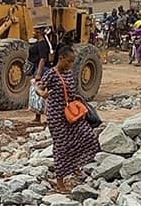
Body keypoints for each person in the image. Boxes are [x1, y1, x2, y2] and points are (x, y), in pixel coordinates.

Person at [35, 45, 100, 192]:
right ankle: (60, 182)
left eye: (72, 62)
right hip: (57, 116)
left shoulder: (68, 73)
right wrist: (42, 93)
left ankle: (74, 165)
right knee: (61, 147)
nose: (70, 65)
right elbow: (39, 87)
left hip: (73, 114)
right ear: (61, 58)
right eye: (69, 61)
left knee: (88, 136)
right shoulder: (51, 74)